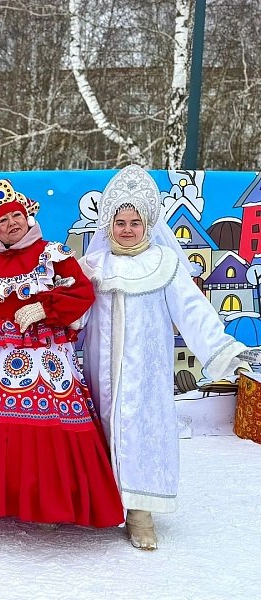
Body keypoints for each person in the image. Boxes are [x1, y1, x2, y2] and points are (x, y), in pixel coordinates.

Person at [81, 165, 255, 550]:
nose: (127, 229)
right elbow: (74, 313)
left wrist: (223, 349)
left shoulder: (165, 265)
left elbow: (192, 310)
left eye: (135, 222)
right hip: (100, 373)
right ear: (108, 224)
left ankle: (140, 513)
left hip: (146, 374)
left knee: (144, 435)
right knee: (98, 432)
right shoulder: (93, 266)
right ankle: (99, 506)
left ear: (147, 225)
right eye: (120, 222)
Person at [0, 179, 124, 529]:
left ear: (29, 217)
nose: (12, 224)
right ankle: (2, 498)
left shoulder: (53, 253)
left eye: (16, 216)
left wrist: (44, 308)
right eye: (3, 221)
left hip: (46, 356)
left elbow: (82, 293)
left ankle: (49, 503)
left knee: (48, 425)